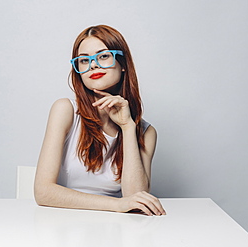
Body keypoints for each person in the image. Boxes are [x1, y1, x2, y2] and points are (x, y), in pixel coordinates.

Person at [34, 25, 166, 216]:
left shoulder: (147, 132)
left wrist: (128, 127)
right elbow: (43, 192)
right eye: (84, 60)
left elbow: (137, 199)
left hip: (114, 227)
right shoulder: (66, 110)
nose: (93, 65)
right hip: (60, 221)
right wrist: (117, 205)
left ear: (122, 64)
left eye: (103, 56)